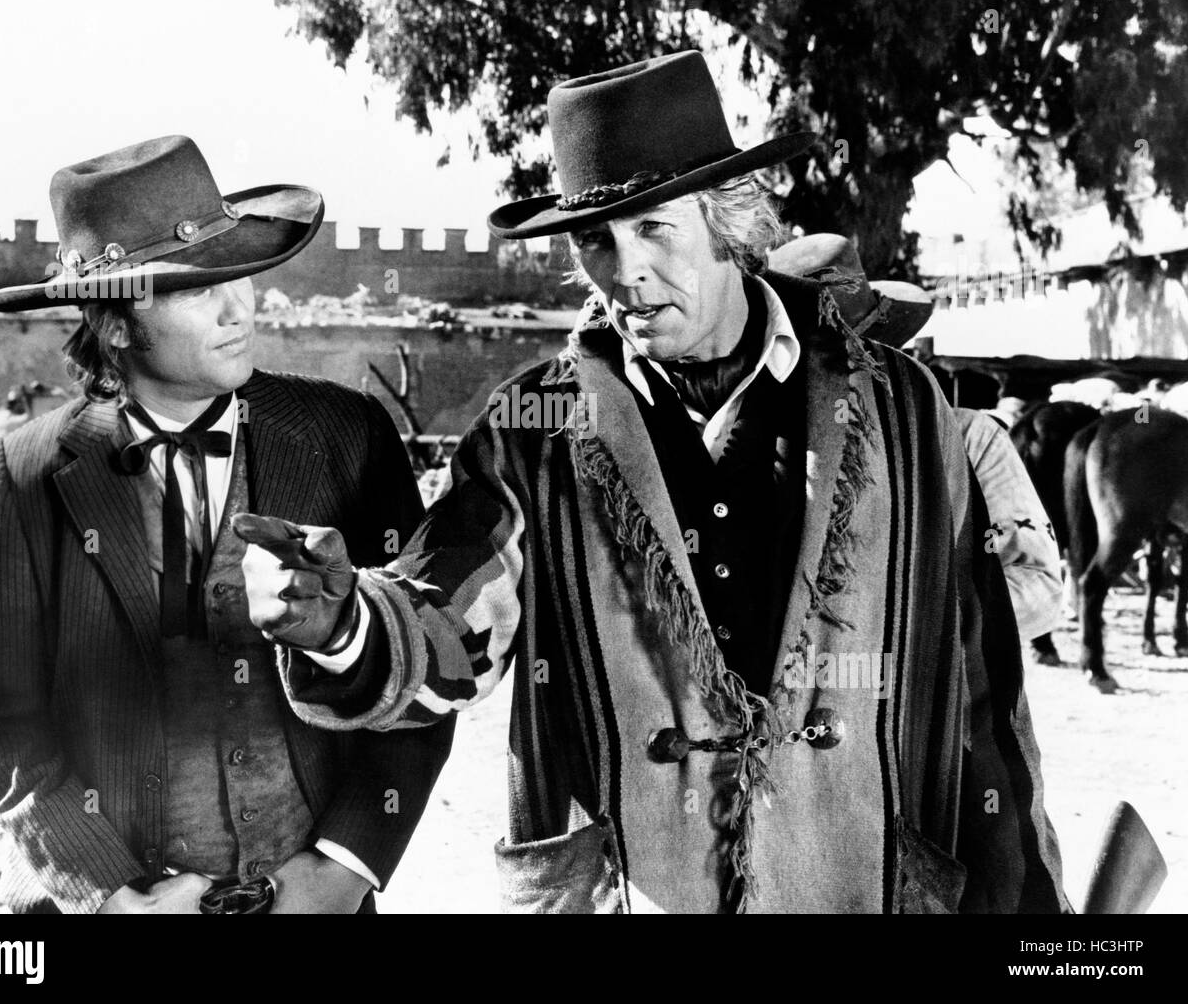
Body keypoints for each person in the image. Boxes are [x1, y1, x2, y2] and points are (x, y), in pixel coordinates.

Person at [240, 51, 1068, 914]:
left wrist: (1033, 916)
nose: (624, 271)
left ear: (727, 224)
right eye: (595, 239)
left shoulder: (903, 411)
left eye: (656, 229)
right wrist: (342, 621)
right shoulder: (536, 429)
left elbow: (981, 691)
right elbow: (451, 623)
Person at [0, 135, 453, 914]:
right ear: (114, 324)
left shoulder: (348, 437)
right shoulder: (22, 474)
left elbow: (419, 672)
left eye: (240, 275)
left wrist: (343, 869)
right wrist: (111, 898)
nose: (238, 306)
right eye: (195, 289)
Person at [767, 235, 1066, 661]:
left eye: (852, 362)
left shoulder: (967, 439)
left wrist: (901, 622)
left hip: (933, 697)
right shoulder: (757, 445)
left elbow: (1038, 588)